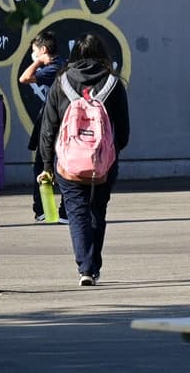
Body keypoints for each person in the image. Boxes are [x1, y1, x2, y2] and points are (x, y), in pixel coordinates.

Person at [37, 33, 129, 285]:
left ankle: (85, 268)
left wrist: (47, 165)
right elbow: (124, 131)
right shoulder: (113, 83)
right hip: (104, 162)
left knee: (77, 213)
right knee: (98, 210)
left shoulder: (61, 82)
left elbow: (48, 127)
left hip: (69, 162)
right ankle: (94, 265)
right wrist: (111, 152)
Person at [20, 31, 67, 223]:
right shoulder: (64, 65)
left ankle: (42, 210)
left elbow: (24, 78)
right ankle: (64, 211)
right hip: (63, 124)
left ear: (44, 50)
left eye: (34, 51)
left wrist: (38, 61)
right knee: (64, 166)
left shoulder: (52, 68)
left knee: (42, 166)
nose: (33, 55)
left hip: (51, 125)